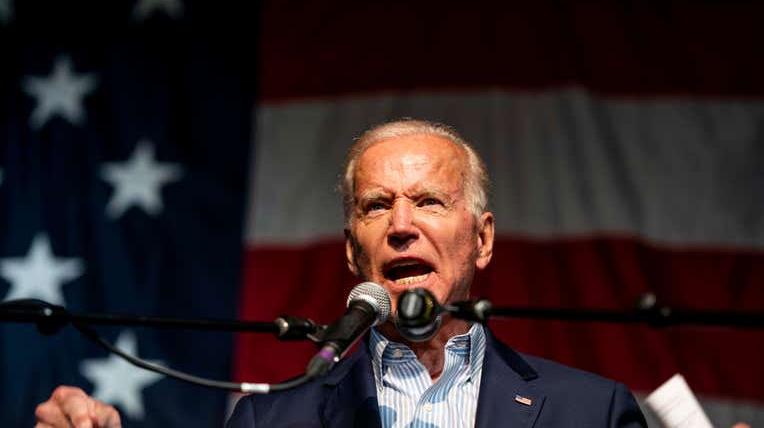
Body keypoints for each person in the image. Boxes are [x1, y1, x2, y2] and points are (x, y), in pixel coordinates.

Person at [37, 119, 652, 427]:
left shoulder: (589, 411)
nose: (401, 225)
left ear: (483, 239)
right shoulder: (274, 419)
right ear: (353, 252)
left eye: (429, 201)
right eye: (376, 205)